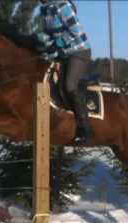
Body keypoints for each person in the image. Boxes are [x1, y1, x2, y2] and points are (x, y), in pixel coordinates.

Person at [36, 0, 93, 144]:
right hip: (62, 54)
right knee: (52, 84)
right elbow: (44, 35)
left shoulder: (63, 6)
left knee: (69, 86)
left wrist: (57, 44)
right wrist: (46, 50)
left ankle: (84, 128)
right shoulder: (43, 10)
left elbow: (76, 31)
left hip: (79, 51)